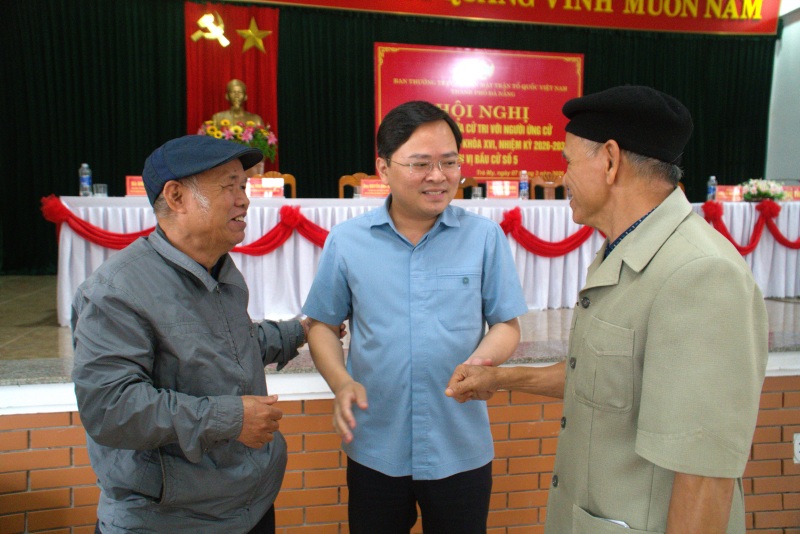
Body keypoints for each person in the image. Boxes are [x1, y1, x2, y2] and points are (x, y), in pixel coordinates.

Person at [446, 85, 769, 533]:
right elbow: (604, 375)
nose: (563, 179)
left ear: (611, 160)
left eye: (568, 162)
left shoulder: (701, 275)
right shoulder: (626, 252)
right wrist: (500, 378)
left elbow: (703, 478)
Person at [302, 100, 528, 533]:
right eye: (421, 164)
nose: (438, 177)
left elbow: (506, 324)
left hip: (459, 443)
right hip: (376, 445)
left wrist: (479, 363)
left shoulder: (484, 238)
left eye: (449, 162)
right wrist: (341, 382)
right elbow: (323, 326)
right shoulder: (348, 242)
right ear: (384, 169)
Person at [72, 135, 307, 533]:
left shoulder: (221, 271)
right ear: (177, 197)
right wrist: (231, 419)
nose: (244, 200)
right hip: (169, 520)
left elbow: (229, 346)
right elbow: (111, 408)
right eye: (228, 186)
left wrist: (297, 332)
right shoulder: (117, 291)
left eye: (244, 186)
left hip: (248, 508)